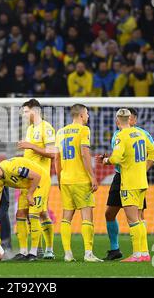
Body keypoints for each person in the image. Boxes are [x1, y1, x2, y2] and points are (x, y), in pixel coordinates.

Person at [99, 107, 154, 261]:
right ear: (130, 119)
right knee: (138, 218)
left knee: (133, 219)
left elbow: (117, 158)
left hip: (129, 182)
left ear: (117, 120)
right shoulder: (140, 133)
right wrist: (141, 168)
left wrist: (106, 160)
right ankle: (144, 253)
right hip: (141, 180)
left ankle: (137, 254)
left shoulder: (122, 135)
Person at [54, 104, 102, 262]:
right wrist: (92, 176)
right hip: (80, 179)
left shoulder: (60, 132)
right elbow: (84, 154)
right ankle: (88, 253)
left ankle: (67, 254)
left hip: (65, 179)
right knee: (87, 216)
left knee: (66, 217)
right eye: (87, 113)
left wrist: (60, 178)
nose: (88, 116)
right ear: (81, 115)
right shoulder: (84, 130)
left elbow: (56, 157)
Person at [0, 157, 50, 261]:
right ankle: (23, 251)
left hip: (40, 182)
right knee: (20, 215)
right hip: (27, 185)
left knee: (33, 215)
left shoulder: (13, 168)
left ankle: (33, 252)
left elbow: (36, 176)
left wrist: (30, 194)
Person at [17, 99, 56, 259]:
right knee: (21, 213)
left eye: (26, 111)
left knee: (37, 214)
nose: (23, 114)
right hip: (27, 179)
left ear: (35, 111)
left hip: (40, 180)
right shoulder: (30, 128)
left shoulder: (46, 128)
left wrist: (31, 146)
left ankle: (44, 250)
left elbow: (53, 153)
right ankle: (24, 251)